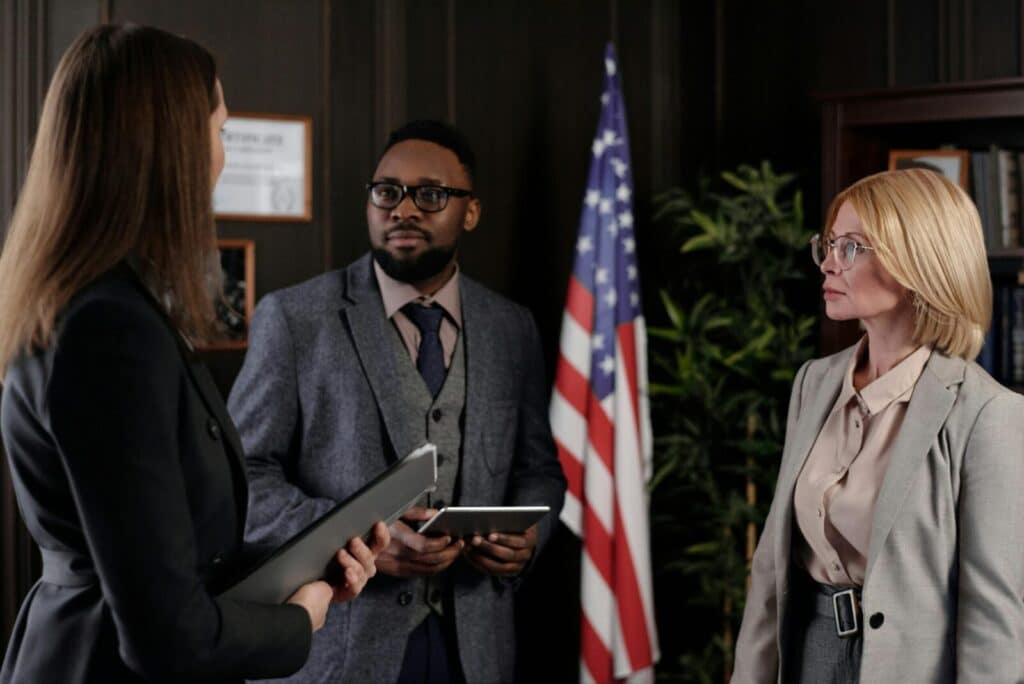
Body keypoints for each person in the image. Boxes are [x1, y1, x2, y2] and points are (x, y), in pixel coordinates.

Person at [0, 24, 388, 683]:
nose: (222, 157)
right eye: (220, 132)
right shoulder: (109, 331)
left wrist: (307, 562)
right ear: (171, 149)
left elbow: (165, 551)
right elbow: (165, 635)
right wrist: (303, 616)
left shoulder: (100, 306)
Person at [228, 119, 567, 683]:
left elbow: (541, 471)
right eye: (387, 192)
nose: (402, 210)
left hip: (475, 653)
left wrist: (529, 539)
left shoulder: (513, 328)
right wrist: (353, 542)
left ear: (471, 212)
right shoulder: (294, 319)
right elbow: (242, 480)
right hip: (338, 654)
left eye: (430, 195)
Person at [731, 168, 1024, 683]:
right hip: (806, 654)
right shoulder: (814, 382)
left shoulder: (988, 414)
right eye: (828, 244)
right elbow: (772, 572)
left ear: (920, 263)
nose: (827, 263)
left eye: (852, 248)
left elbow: (992, 621)